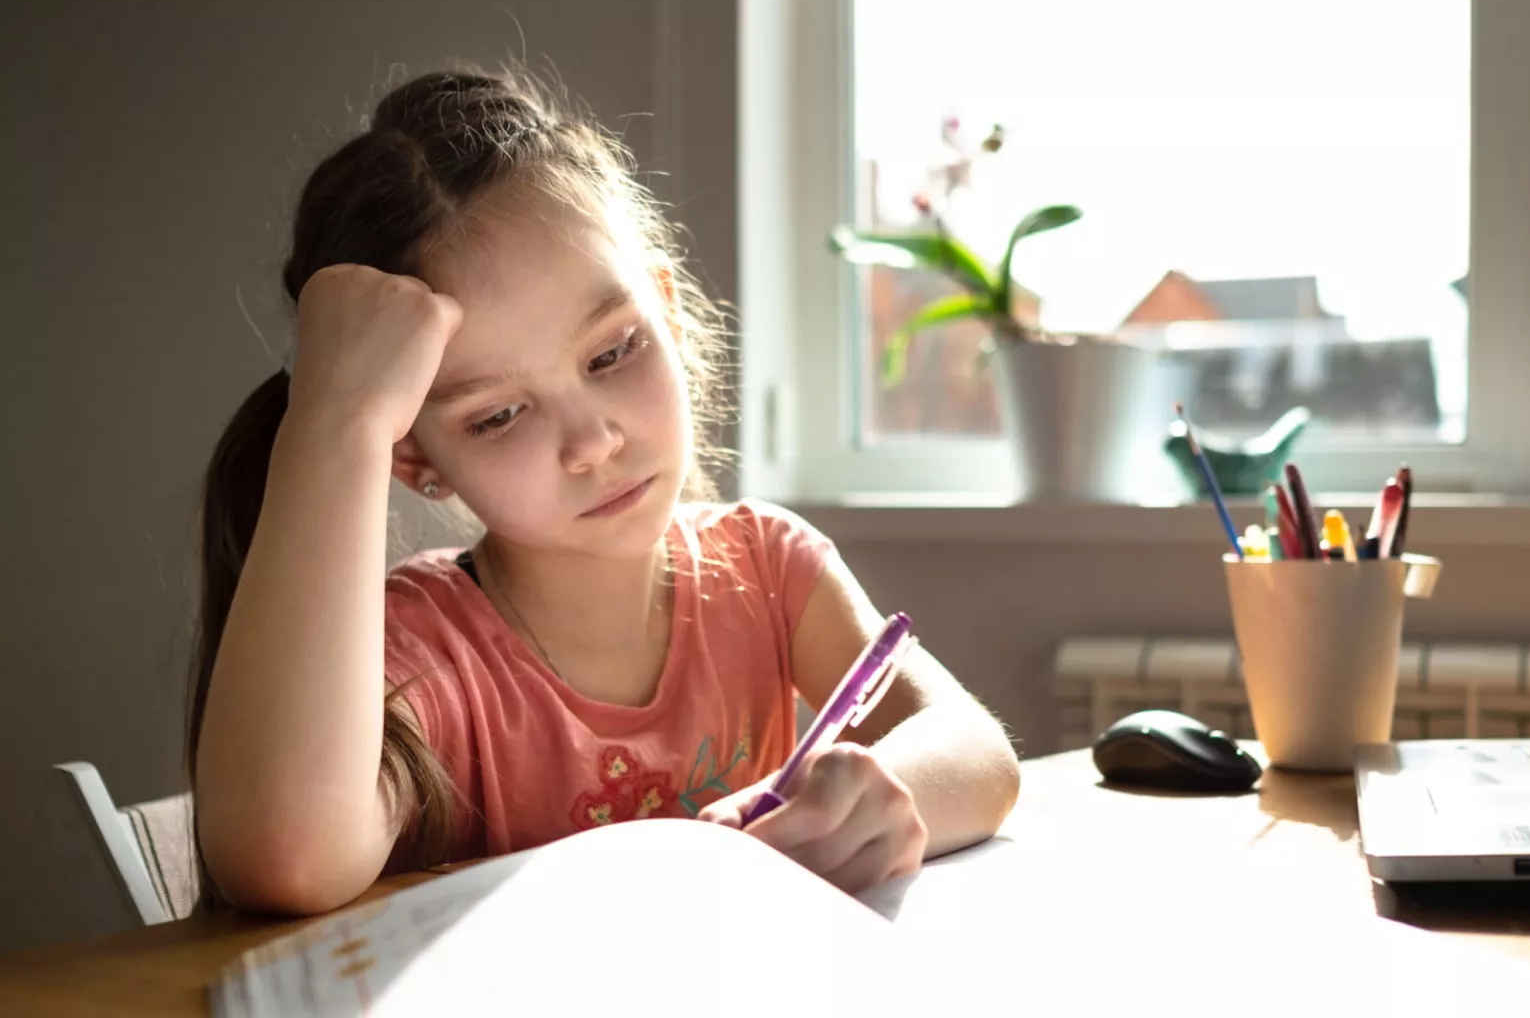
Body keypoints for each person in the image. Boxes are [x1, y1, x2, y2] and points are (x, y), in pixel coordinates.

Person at [188, 66, 1020, 915]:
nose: (592, 442)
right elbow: (283, 857)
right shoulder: (421, 652)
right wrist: (337, 422)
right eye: (500, 415)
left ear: (665, 309)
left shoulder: (770, 570)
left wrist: (882, 792)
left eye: (613, 352)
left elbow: (979, 756)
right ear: (412, 460)